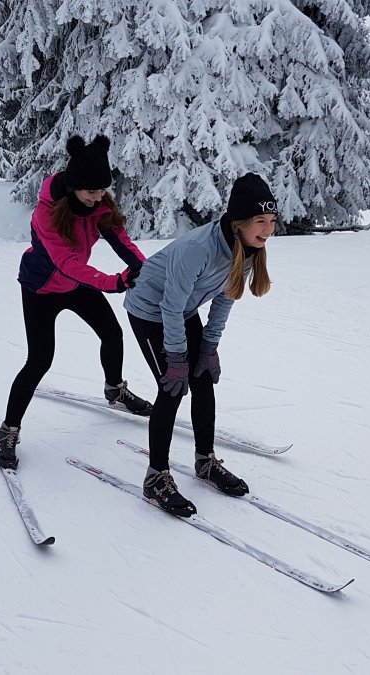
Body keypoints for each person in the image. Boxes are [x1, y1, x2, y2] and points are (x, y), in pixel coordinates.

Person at [0, 135, 153, 470]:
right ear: (74, 187)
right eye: (91, 191)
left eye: (102, 190)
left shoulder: (101, 206)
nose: (98, 197)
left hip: (76, 284)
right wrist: (115, 282)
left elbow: (121, 241)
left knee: (112, 334)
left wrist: (145, 270)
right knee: (39, 360)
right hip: (41, 289)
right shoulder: (47, 214)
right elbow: (67, 263)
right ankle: (8, 430)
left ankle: (115, 390)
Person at [123, 173, 278, 516]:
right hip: (150, 310)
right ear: (239, 221)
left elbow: (225, 298)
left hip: (182, 310)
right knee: (172, 387)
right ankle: (155, 477)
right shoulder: (198, 249)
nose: (268, 230)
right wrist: (177, 358)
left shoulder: (247, 249)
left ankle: (205, 461)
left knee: (202, 379)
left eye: (271, 221)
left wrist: (208, 347)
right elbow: (169, 307)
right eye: (260, 221)